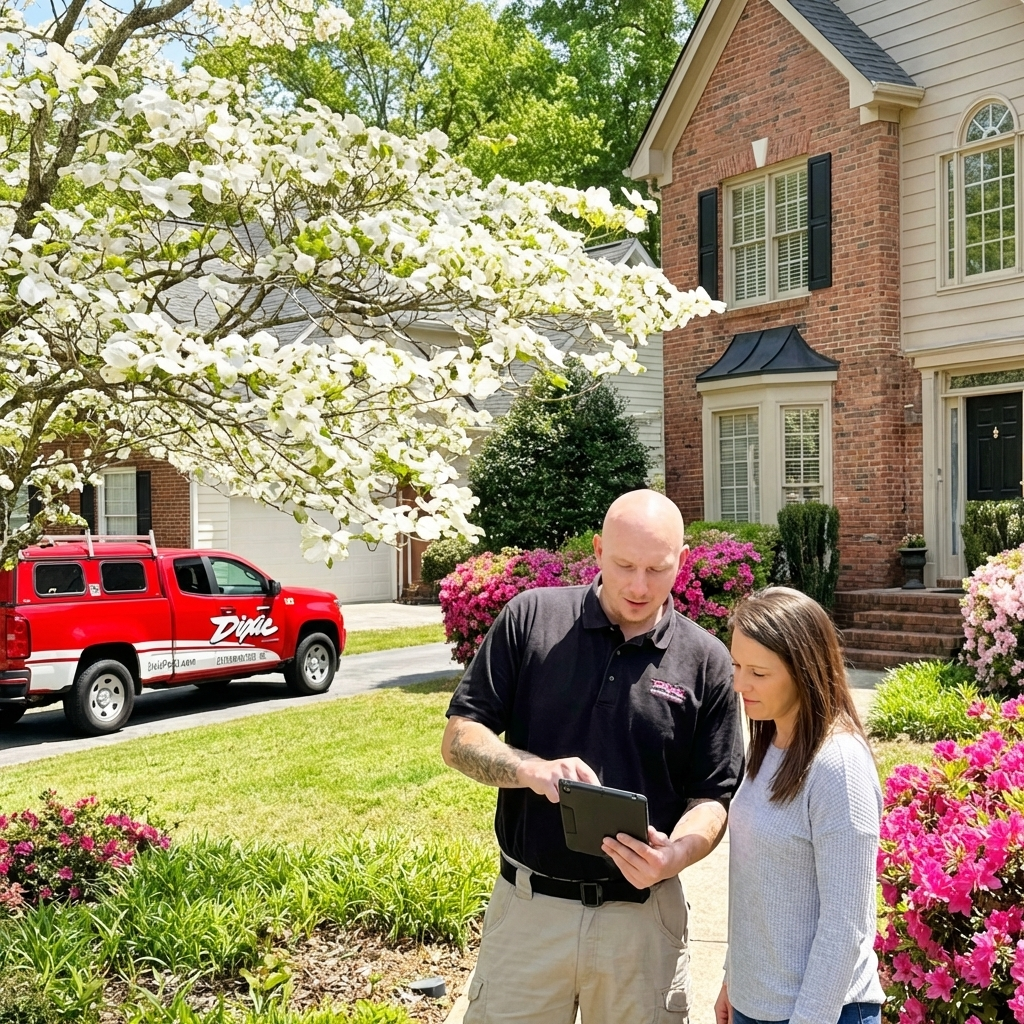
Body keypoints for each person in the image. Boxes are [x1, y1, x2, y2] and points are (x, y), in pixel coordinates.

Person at [442, 489, 744, 1024]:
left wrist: (674, 855)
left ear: (682, 561)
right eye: (625, 564)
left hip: (642, 923)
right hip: (529, 913)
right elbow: (460, 738)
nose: (638, 585)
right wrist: (529, 770)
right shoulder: (530, 618)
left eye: (657, 569)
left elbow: (714, 796)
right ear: (599, 550)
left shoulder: (707, 661)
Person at [716, 587, 885, 1024]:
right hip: (754, 1004)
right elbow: (754, 884)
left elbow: (845, 925)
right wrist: (732, 980)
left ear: (804, 670)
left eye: (758, 672)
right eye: (736, 665)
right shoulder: (769, 740)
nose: (739, 684)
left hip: (823, 1012)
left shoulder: (838, 766)